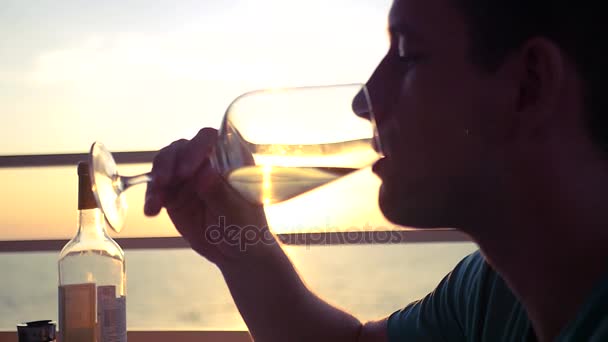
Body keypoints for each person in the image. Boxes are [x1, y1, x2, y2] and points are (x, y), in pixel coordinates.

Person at [143, 0, 608, 340]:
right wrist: (244, 251)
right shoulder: (492, 291)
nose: (362, 102)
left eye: (407, 53)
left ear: (529, 84)